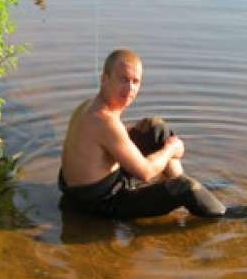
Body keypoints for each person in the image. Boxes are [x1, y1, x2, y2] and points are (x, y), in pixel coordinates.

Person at [58, 48, 226, 219]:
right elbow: (145, 173)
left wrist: (154, 142)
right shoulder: (105, 121)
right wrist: (171, 149)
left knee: (155, 128)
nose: (130, 88)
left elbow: (109, 140)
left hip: (84, 188)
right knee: (185, 187)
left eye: (135, 81)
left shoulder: (89, 106)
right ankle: (224, 216)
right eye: (123, 79)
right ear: (104, 79)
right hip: (100, 202)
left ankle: (183, 186)